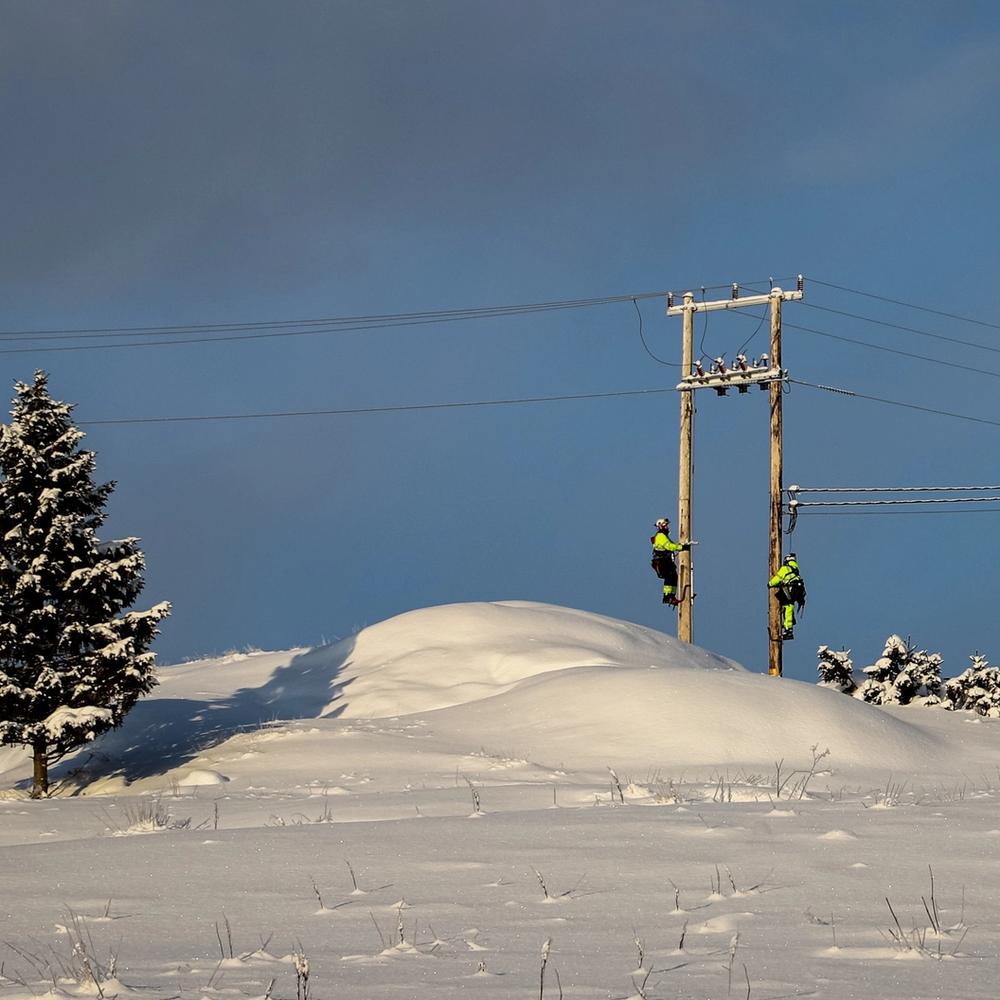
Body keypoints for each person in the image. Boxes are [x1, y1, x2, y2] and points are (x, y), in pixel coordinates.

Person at [650, 517, 690, 606]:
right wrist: (681, 547)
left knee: (673, 576)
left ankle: (672, 595)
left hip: (666, 561)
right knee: (669, 576)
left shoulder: (664, 536)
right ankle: (667, 596)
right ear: (661, 526)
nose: (667, 527)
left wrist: (680, 546)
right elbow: (669, 546)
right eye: (665, 526)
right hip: (661, 562)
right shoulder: (660, 536)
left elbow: (672, 544)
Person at [769, 553, 806, 640]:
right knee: (789, 607)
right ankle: (787, 626)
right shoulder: (795, 569)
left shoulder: (785, 568)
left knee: (787, 607)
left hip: (791, 590)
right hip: (796, 591)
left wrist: (770, 584)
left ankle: (788, 629)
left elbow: (777, 578)